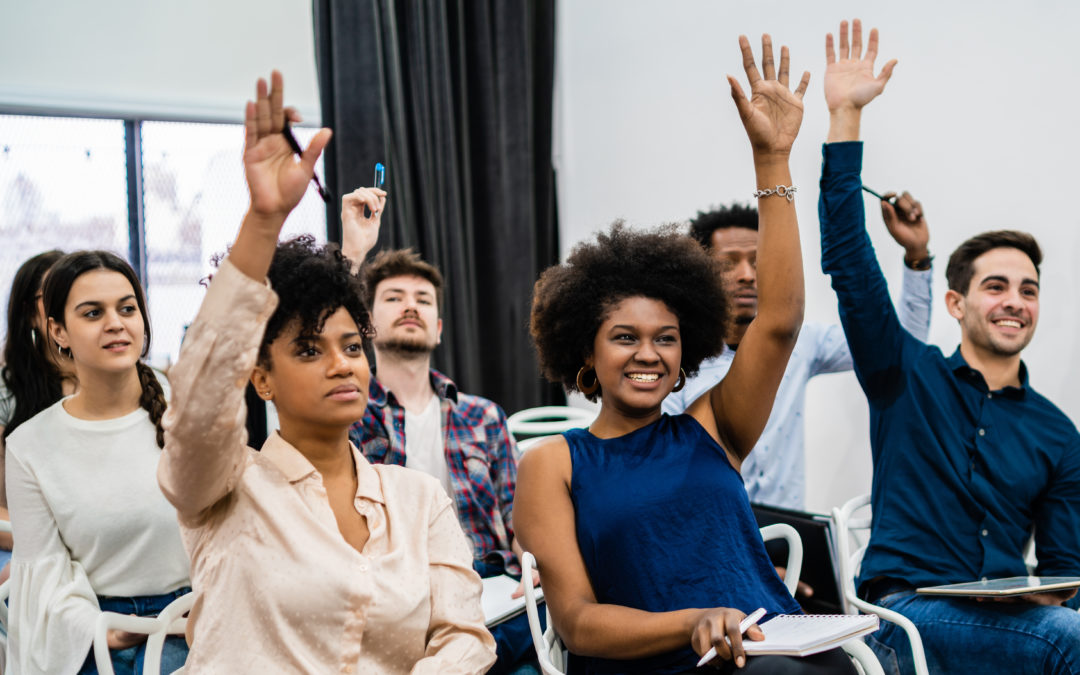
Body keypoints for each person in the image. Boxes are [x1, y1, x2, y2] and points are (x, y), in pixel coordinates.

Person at [515, 35, 856, 674]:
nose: (649, 354)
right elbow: (579, 623)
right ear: (584, 349)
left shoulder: (711, 427)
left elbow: (779, 322)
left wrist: (773, 160)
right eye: (625, 337)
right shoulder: (552, 464)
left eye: (665, 338)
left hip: (773, 650)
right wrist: (695, 623)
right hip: (663, 663)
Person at [157, 71, 496, 673]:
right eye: (310, 351)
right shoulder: (222, 488)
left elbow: (465, 638)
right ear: (261, 378)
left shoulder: (417, 501)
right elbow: (202, 399)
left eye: (352, 346)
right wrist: (263, 222)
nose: (342, 363)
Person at [818, 19, 1080, 675]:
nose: (1015, 300)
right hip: (905, 617)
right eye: (997, 286)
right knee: (1068, 641)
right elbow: (851, 265)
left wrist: (1058, 587)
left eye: (1029, 288)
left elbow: (1067, 568)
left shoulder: (1056, 431)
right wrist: (845, 117)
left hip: (1014, 618)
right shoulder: (905, 372)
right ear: (958, 302)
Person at [341, 203, 533, 674]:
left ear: (439, 328)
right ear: (365, 324)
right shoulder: (348, 414)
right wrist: (351, 254)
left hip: (491, 586)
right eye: (394, 297)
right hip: (396, 594)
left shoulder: (484, 416)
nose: (410, 305)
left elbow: (517, 514)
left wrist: (536, 562)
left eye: (423, 300)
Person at [662, 198, 932, 511]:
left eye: (757, 260)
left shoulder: (801, 342)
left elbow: (897, 345)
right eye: (728, 263)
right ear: (700, 274)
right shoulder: (675, 356)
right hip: (708, 530)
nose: (747, 274)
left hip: (788, 535)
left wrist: (917, 257)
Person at [6, 250, 190, 674]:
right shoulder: (29, 445)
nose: (115, 323)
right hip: (98, 629)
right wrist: (103, 631)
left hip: (196, 616)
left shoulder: (186, 406)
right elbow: (44, 578)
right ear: (58, 331)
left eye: (127, 309)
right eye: (93, 313)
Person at [0, 250, 73, 573]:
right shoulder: (7, 393)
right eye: (54, 295)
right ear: (30, 314)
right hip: (33, 541)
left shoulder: (116, 382)